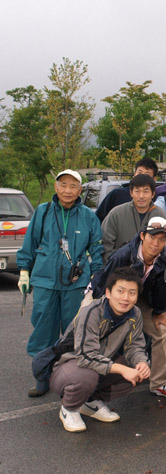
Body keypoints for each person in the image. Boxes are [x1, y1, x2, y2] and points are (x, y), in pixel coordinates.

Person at [17, 169, 104, 397]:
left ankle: (69, 376)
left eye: (73, 186)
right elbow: (30, 243)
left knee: (73, 332)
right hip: (45, 281)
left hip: (76, 284)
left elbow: (96, 249)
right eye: (63, 185)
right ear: (56, 187)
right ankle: (42, 377)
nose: (67, 190)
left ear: (80, 190)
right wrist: (24, 271)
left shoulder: (87, 215)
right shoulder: (43, 212)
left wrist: (96, 277)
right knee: (43, 330)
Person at [90, 217, 166, 399]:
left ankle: (160, 383)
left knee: (163, 329)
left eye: (162, 239)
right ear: (142, 236)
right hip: (107, 295)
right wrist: (105, 311)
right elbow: (105, 285)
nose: (156, 243)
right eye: (152, 237)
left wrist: (161, 310)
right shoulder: (124, 255)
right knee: (94, 328)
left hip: (140, 298)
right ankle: (87, 379)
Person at [50, 267, 150, 433]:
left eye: (132, 293)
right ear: (108, 293)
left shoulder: (135, 314)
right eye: (121, 291)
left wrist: (141, 362)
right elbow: (85, 357)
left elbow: (135, 345)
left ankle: (89, 402)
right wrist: (121, 369)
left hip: (98, 363)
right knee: (87, 375)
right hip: (68, 367)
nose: (126, 298)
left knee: (137, 371)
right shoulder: (91, 312)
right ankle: (69, 408)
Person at [101, 174, 166, 262]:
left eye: (146, 191)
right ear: (131, 193)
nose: (141, 196)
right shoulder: (116, 213)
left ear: (153, 194)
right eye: (137, 191)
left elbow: (163, 246)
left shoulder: (160, 215)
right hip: (120, 269)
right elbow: (106, 246)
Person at [95, 158, 159, 223]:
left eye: (147, 175)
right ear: (134, 175)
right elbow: (97, 220)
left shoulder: (157, 200)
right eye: (139, 173)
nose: (142, 177)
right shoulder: (117, 195)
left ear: (154, 179)